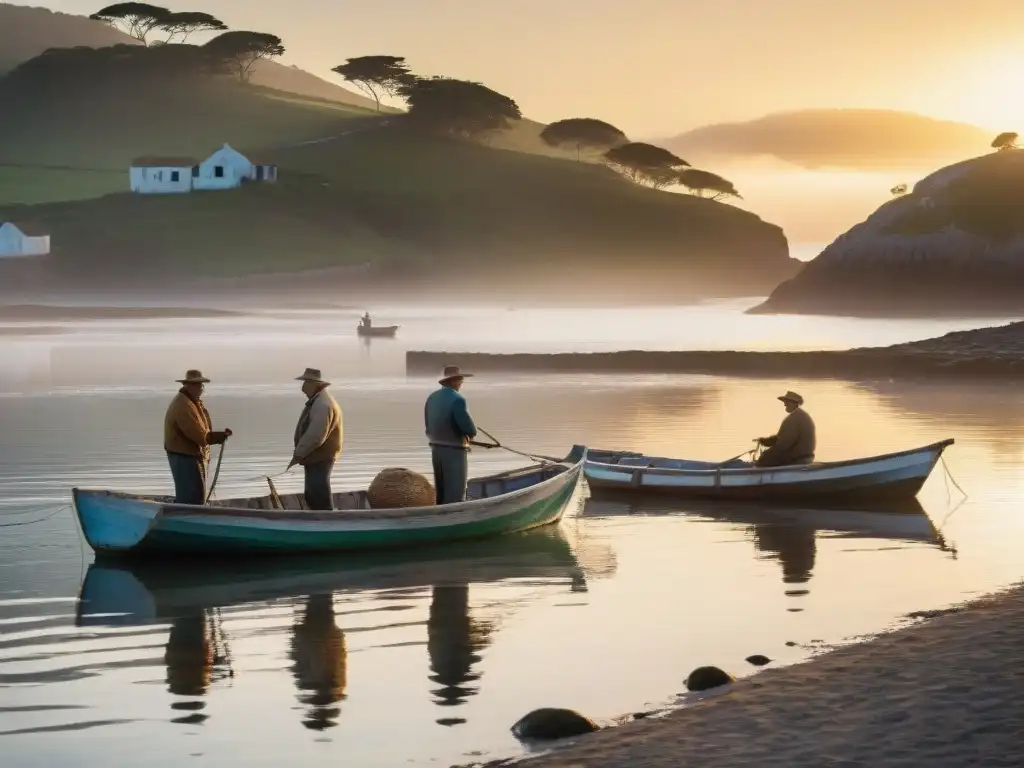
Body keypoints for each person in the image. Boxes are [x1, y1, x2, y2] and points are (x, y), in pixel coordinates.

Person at [163, 370, 231, 505]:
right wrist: (218, 437)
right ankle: (185, 517)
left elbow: (202, 431)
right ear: (188, 385)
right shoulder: (184, 405)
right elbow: (199, 436)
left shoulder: (191, 402)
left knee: (193, 495)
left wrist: (217, 436)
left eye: (201, 385)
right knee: (191, 498)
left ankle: (186, 513)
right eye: (198, 385)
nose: (201, 389)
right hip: (184, 456)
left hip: (186, 454)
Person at [288, 368, 343, 510]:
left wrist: (299, 454)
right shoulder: (319, 401)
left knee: (318, 492)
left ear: (314, 384)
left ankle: (326, 521)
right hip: (315, 456)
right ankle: (321, 519)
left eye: (305, 382)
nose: (303, 387)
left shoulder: (323, 404)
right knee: (314, 491)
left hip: (321, 456)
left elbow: (316, 436)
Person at [424, 366, 478, 505]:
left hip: (436, 450)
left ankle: (440, 515)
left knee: (441, 489)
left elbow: (428, 427)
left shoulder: (431, 398)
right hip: (454, 452)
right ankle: (455, 517)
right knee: (455, 491)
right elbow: (469, 428)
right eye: (460, 380)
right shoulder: (458, 400)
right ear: (454, 381)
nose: (461, 383)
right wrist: (470, 434)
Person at [755, 390, 816, 467]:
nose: (784, 404)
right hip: (805, 456)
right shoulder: (801, 415)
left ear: (794, 403)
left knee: (765, 458)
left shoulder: (794, 418)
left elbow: (784, 443)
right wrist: (766, 441)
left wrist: (767, 454)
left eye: (787, 401)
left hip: (798, 458)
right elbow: (782, 437)